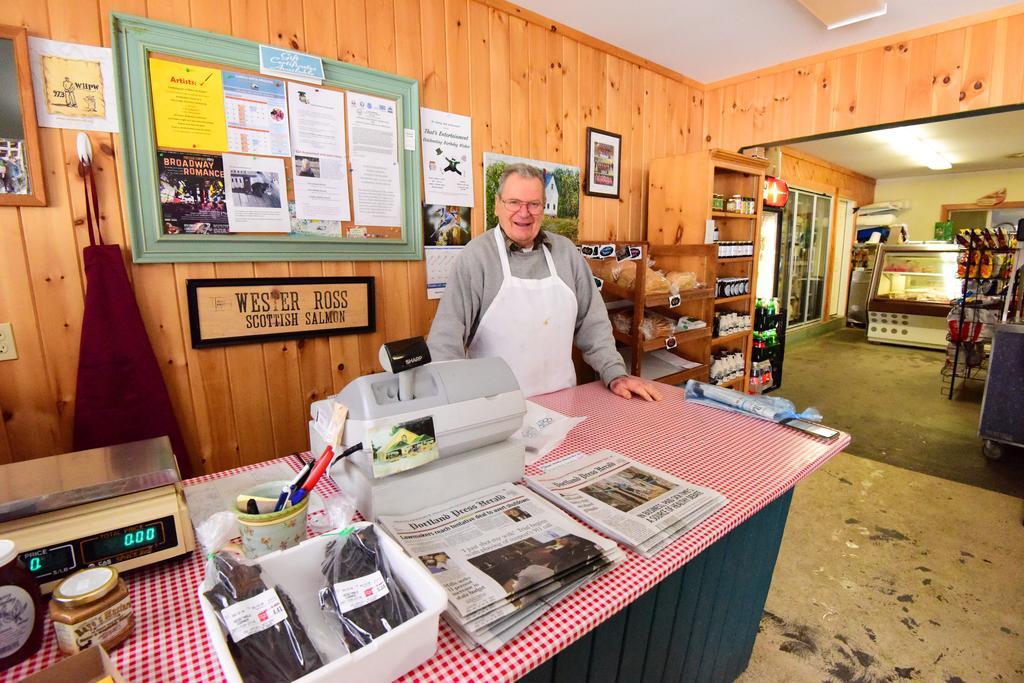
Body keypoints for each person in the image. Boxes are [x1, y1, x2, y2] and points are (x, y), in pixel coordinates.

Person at [427, 163, 662, 401]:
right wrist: (450, 402)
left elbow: (594, 325)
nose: (524, 213)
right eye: (514, 202)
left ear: (543, 208)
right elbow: (445, 339)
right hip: (497, 408)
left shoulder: (566, 253)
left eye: (534, 204)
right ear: (498, 205)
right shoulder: (476, 257)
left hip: (562, 402)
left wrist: (615, 373)